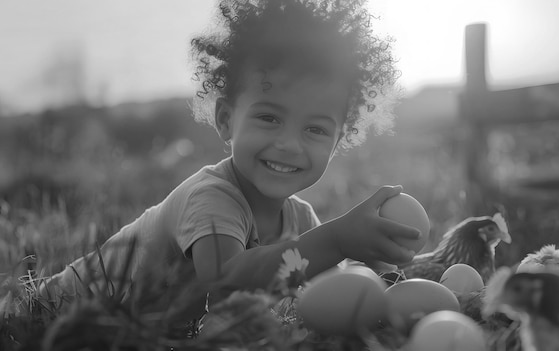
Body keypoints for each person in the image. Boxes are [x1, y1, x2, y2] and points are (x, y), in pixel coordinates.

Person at [40, 0, 420, 328]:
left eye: (316, 129)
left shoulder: (300, 220)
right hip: (50, 312)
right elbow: (226, 280)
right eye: (269, 118)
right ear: (225, 120)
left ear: (338, 141)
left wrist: (381, 275)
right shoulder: (212, 198)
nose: (288, 144)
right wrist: (338, 239)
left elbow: (323, 281)